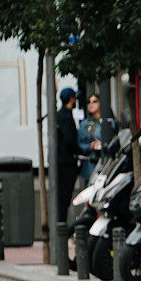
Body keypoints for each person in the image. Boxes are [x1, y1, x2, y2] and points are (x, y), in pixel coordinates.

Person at [77, 94, 116, 182]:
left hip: (106, 163)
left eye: (94, 101)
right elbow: (79, 145)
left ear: (100, 104)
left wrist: (102, 144)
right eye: (89, 102)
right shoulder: (84, 124)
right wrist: (90, 146)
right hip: (90, 165)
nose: (91, 104)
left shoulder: (109, 122)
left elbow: (115, 141)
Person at [57, 88, 80, 222]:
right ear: (71, 99)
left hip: (62, 162)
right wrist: (80, 151)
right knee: (64, 198)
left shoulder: (60, 115)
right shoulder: (66, 116)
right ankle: (62, 226)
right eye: (75, 98)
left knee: (62, 198)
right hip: (66, 163)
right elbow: (69, 140)